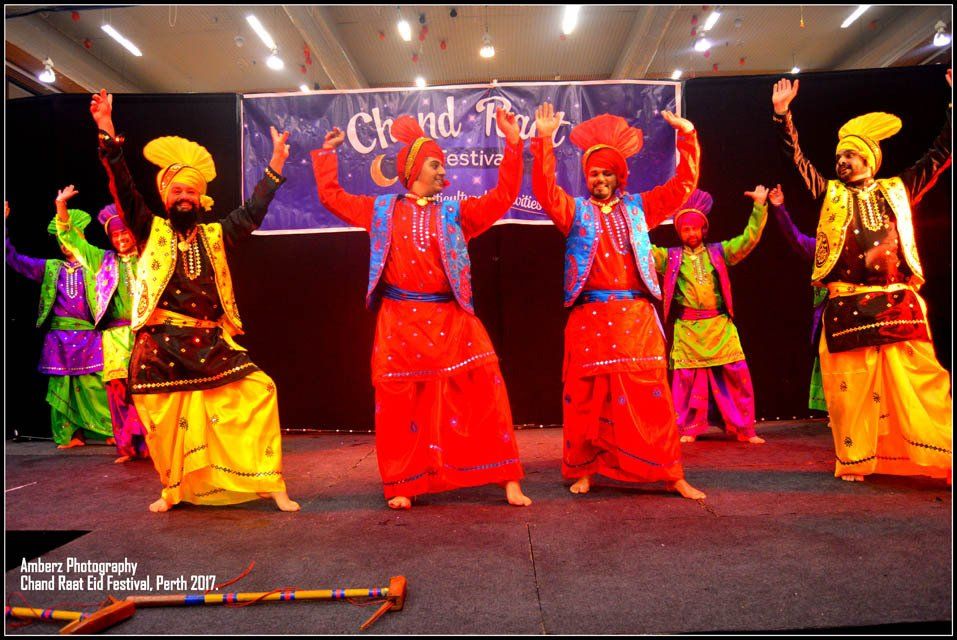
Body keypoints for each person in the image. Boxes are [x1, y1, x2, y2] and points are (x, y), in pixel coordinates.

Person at [90, 88, 300, 511]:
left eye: (191, 191)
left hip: (209, 343)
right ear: (166, 198)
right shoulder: (150, 229)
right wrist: (108, 132)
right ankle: (175, 488)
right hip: (160, 345)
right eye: (176, 192)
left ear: (200, 198)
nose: (184, 197)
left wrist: (276, 164)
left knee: (260, 391)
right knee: (166, 422)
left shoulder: (218, 234)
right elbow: (124, 188)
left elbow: (254, 210)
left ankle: (268, 482)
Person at [311, 109, 531, 509]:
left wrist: (513, 145)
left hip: (452, 318)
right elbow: (332, 197)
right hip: (399, 320)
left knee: (485, 391)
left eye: (443, 165)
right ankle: (403, 481)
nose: (442, 172)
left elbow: (504, 196)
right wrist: (327, 157)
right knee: (399, 405)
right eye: (435, 164)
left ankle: (506, 477)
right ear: (412, 169)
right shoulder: (381, 211)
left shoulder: (455, 213)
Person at [771, 71, 952, 482]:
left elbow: (941, 153)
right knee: (849, 391)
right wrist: (784, 119)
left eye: (850, 156)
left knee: (920, 381)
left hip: (896, 303)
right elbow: (796, 162)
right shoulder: (830, 194)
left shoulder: (897, 189)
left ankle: (938, 452)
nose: (841, 162)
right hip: (847, 306)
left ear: (869, 159)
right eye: (838, 157)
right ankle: (856, 460)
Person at [531, 103, 705, 499]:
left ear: (619, 176)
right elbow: (544, 190)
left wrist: (688, 136)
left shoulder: (640, 208)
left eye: (607, 172)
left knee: (651, 399)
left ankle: (670, 472)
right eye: (593, 173)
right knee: (587, 401)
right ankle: (586, 469)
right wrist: (543, 140)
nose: (600, 179)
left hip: (636, 319)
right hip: (589, 317)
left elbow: (683, 186)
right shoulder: (574, 212)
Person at [652, 188, 769, 444]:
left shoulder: (719, 252)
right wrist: (632, 220)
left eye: (696, 228)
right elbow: (642, 250)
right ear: (679, 232)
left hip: (719, 324)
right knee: (685, 379)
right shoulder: (670, 258)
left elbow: (748, 240)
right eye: (686, 229)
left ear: (704, 230)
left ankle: (743, 428)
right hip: (688, 328)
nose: (691, 233)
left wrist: (760, 207)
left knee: (736, 373)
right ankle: (687, 427)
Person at [5, 197, 113, 448]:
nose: (65, 244)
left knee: (96, 385)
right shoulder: (52, 268)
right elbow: (15, 260)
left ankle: (108, 429)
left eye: (70, 236)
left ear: (81, 236)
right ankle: (71, 435)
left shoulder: (98, 264)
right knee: (61, 387)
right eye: (61, 239)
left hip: (90, 335)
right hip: (59, 338)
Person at [56, 193, 150, 463]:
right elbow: (74, 241)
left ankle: (153, 443)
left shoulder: (147, 255)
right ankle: (128, 448)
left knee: (148, 388)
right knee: (119, 389)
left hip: (146, 332)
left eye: (125, 235)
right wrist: (61, 207)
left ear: (132, 233)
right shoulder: (103, 260)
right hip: (115, 335)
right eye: (116, 237)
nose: (121, 240)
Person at [767, 184, 828, 413]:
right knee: (829, 363)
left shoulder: (856, 242)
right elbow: (795, 237)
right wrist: (779, 208)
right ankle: (836, 409)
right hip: (828, 318)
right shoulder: (822, 248)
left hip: (857, 314)